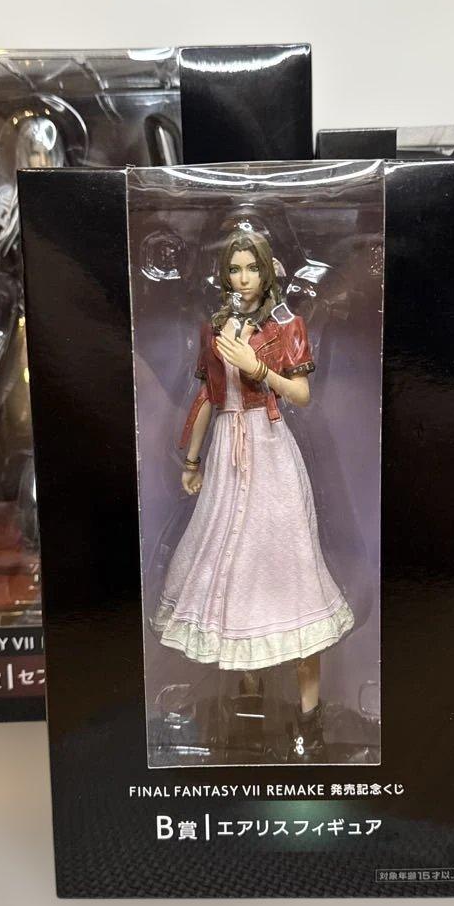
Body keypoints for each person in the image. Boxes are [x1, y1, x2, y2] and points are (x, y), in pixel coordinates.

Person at [151, 228, 354, 761]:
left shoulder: (286, 324)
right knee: (232, 575)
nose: (243, 278)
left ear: (267, 271)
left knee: (287, 572)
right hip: (227, 453)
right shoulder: (215, 327)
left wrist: (259, 369)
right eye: (235, 269)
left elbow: (301, 394)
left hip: (269, 450)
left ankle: (309, 721)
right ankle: (248, 707)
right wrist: (192, 460)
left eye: (251, 268)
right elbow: (206, 396)